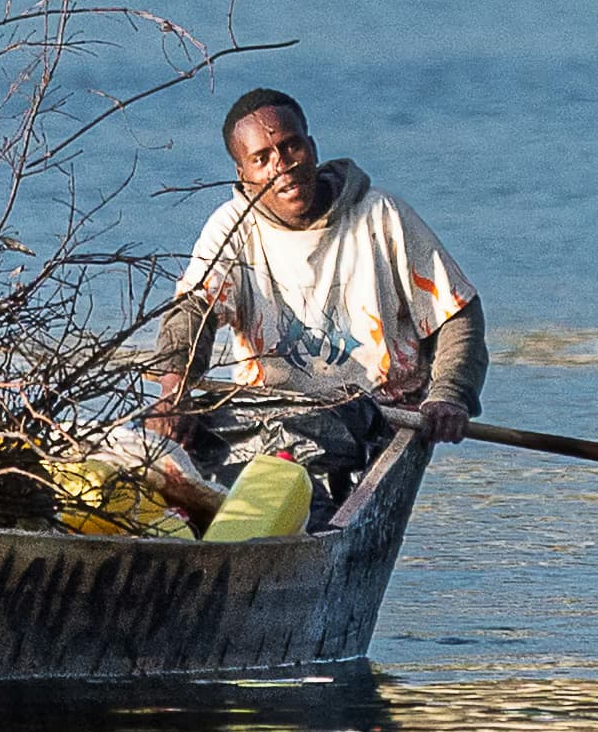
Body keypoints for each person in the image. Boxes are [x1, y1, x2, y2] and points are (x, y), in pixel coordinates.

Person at [152, 90, 485, 522]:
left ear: (311, 148)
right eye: (262, 157)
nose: (282, 165)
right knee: (170, 454)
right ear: (243, 173)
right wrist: (174, 389)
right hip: (271, 416)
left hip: (377, 417)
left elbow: (457, 313)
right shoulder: (232, 227)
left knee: (311, 480)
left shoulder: (379, 217)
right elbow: (192, 312)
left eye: (291, 146)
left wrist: (449, 395)